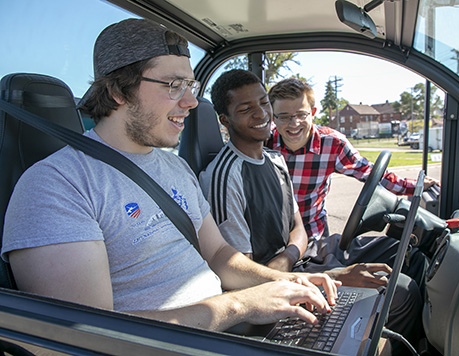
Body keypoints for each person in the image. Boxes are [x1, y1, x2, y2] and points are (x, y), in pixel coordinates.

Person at [1, 18, 341, 332]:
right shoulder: (56, 185)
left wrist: (285, 283)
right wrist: (241, 305)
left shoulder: (175, 168)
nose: (192, 102)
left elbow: (220, 255)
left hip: (229, 330)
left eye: (190, 85)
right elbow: (87, 335)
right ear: (120, 90)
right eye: (175, 85)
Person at [200, 69, 423, 354]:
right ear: (225, 120)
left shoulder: (274, 159)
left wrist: (289, 258)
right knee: (401, 291)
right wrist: (334, 277)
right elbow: (238, 275)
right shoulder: (225, 175)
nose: (261, 114)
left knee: (404, 257)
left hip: (300, 259)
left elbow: (298, 226)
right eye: (246, 109)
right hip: (271, 285)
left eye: (263, 104)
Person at [265, 78, 436, 287]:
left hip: (314, 239)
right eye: (284, 117)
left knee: (402, 254)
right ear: (273, 117)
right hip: (275, 245)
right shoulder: (264, 143)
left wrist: (412, 186)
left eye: (301, 115)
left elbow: (369, 171)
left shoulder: (332, 144)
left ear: (314, 112)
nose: (294, 124)